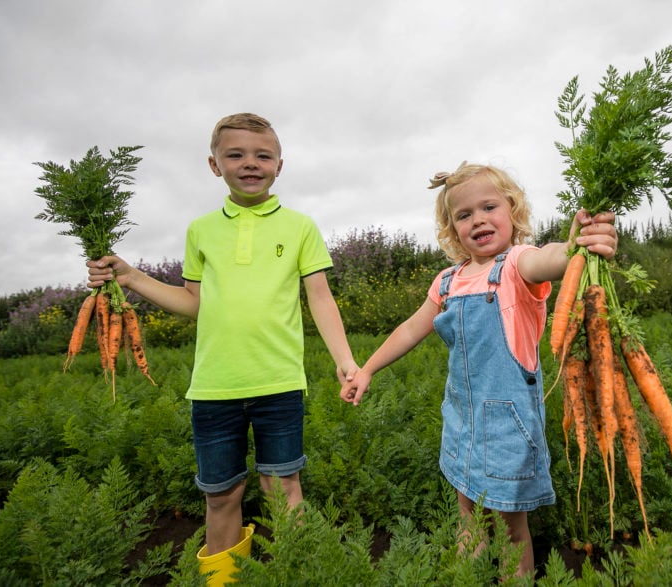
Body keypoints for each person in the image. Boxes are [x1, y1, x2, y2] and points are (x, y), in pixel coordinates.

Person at [87, 113, 359, 572]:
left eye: (262, 155)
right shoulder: (201, 231)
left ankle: (294, 575)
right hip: (214, 389)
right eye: (235, 155)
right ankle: (225, 580)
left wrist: (344, 359)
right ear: (215, 165)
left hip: (279, 383)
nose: (249, 164)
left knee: (283, 489)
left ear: (279, 165)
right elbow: (194, 302)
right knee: (221, 495)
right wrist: (130, 276)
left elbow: (319, 296)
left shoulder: (300, 227)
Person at [340, 161, 617, 578]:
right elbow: (411, 328)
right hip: (461, 418)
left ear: (513, 211)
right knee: (467, 509)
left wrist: (577, 244)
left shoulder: (516, 266)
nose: (478, 220)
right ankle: (467, 573)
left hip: (506, 424)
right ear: (452, 229)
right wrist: (367, 369)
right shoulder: (447, 281)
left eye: (489, 207)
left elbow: (550, 260)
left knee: (510, 528)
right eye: (464, 215)